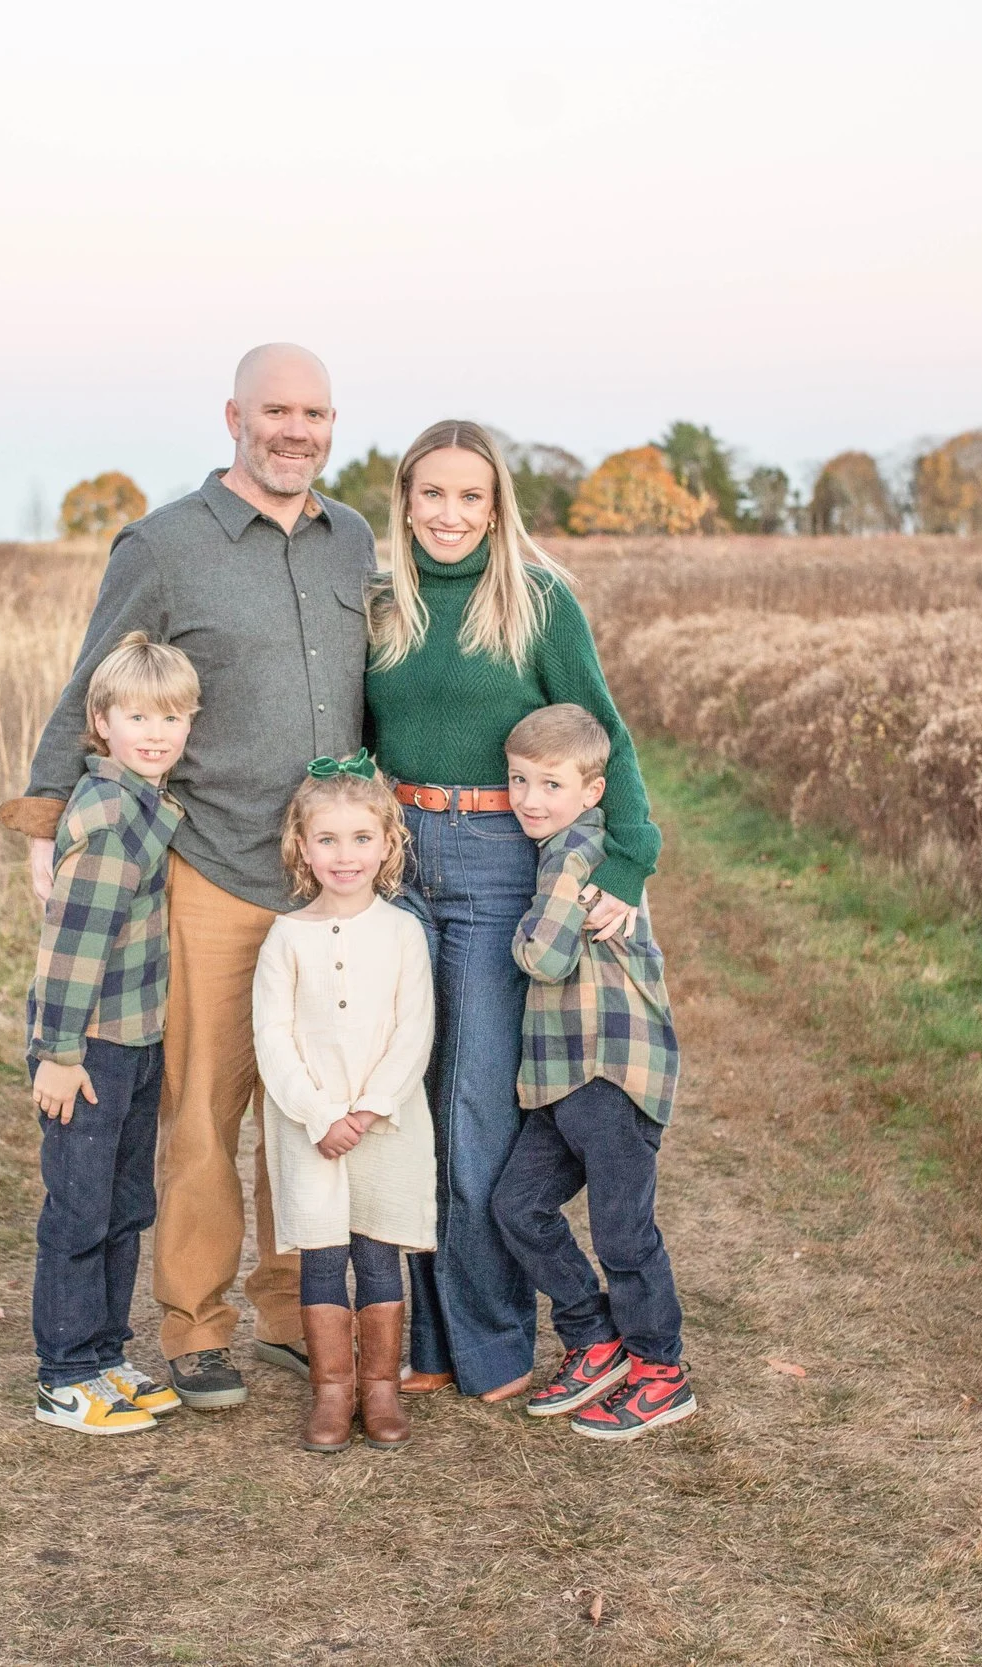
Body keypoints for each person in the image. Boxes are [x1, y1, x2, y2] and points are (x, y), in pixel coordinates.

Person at [2, 344, 374, 1408]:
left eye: (314, 412)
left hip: (325, 880)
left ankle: (296, 1308)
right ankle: (197, 1324)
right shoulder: (164, 545)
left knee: (310, 1111)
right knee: (204, 1111)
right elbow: (89, 684)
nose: (295, 430)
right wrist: (45, 819)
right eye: (275, 411)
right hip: (209, 867)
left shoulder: (353, 541)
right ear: (233, 417)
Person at [360, 421, 658, 1399]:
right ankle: (425, 1343)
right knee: (403, 1101)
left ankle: (489, 1341)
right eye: (432, 494)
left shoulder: (536, 600)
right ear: (404, 499)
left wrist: (628, 854)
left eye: (470, 497)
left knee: (478, 1107)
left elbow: (602, 731)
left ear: (497, 507)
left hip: (497, 864)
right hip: (398, 856)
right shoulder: (379, 604)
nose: (450, 514)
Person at [489, 703, 695, 1440]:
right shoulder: (561, 851)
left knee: (623, 1233)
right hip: (559, 1077)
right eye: (518, 780)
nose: (530, 799)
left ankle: (660, 1372)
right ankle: (594, 1334)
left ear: (592, 790)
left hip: (609, 1071)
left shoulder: (581, 852)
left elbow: (541, 955)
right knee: (518, 1205)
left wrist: (519, 923)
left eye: (550, 782)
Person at [22, 632, 200, 1434]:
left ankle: (104, 1352)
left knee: (125, 1204)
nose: (156, 732)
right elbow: (70, 950)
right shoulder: (106, 814)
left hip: (133, 1041)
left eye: (171, 717)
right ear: (101, 721)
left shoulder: (143, 805)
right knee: (79, 1210)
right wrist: (59, 1054)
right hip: (88, 1049)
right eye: (138, 716)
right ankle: (64, 1374)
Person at [250, 756, 436, 1451]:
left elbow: (413, 1030)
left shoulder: (402, 933)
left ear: (389, 843)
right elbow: (274, 1036)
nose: (345, 854)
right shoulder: (286, 936)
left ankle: (380, 1386)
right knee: (323, 1256)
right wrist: (321, 1113)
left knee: (379, 1252)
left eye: (361, 838)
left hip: (385, 1126)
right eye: (327, 839)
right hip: (312, 1128)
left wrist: (367, 1107)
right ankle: (333, 1388)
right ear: (300, 846)